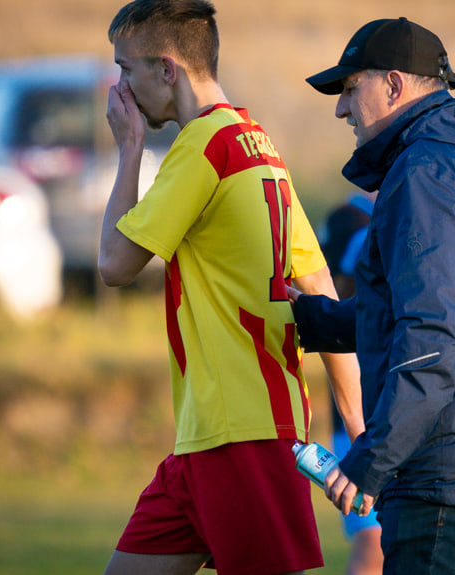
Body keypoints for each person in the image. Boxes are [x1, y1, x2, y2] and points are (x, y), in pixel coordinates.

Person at [97, 2, 364, 574]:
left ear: (167, 69)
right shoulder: (259, 146)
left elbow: (115, 264)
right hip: (206, 439)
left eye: (127, 70)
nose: (122, 88)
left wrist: (129, 150)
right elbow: (319, 285)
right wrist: (357, 431)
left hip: (244, 437)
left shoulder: (203, 147)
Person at [290, 17, 455, 575]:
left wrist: (369, 462)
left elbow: (429, 341)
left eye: (349, 87)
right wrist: (312, 322)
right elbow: (440, 315)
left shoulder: (425, 171)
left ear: (393, 84)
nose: (340, 109)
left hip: (442, 481)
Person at [318, 193, 383, 575]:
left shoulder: (403, 207)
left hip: (393, 404)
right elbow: (335, 291)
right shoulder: (352, 218)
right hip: (357, 404)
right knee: (372, 540)